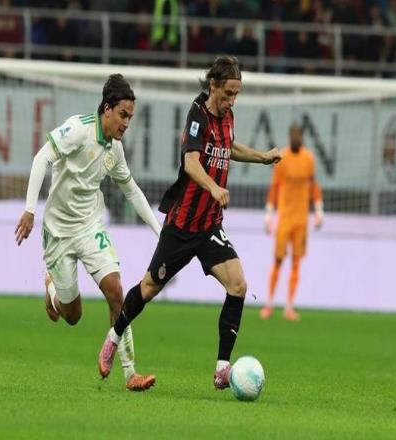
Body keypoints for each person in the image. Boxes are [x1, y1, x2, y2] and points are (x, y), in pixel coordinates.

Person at [97, 56, 282, 389]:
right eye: (228, 93)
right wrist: (214, 187)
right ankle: (113, 337)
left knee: (238, 285)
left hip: (210, 225)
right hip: (182, 224)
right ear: (213, 85)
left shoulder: (228, 116)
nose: (232, 100)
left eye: (236, 94)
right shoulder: (198, 115)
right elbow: (191, 162)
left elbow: (228, 146)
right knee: (149, 287)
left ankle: (222, 369)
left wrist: (262, 157)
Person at [15, 74, 161, 392]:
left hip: (90, 226)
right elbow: (42, 158)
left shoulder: (115, 150)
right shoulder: (78, 129)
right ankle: (52, 291)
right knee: (72, 315)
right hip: (58, 232)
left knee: (116, 291)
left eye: (130, 117)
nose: (126, 123)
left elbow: (132, 190)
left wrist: (160, 231)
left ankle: (130, 373)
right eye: (123, 115)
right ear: (107, 109)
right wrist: (29, 210)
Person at [260, 123, 324, 322]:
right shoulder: (283, 158)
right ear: (290, 138)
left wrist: (319, 210)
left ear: (302, 137)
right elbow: (275, 187)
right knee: (278, 260)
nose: (296, 138)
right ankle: (269, 304)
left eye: (298, 135)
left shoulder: (308, 158)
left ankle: (289, 307)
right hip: (285, 218)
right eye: (293, 135)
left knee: (296, 262)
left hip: (301, 220)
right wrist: (269, 214)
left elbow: (313, 185)